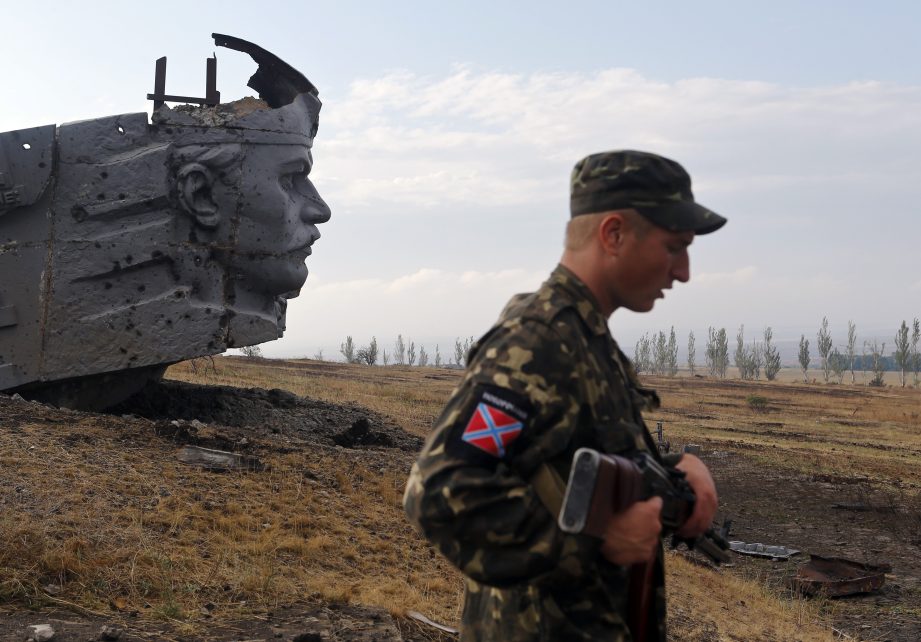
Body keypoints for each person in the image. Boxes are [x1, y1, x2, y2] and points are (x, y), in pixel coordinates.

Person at [404, 150, 725, 641]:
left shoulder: (585, 339)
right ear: (613, 235)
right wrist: (590, 541)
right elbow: (442, 493)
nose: (682, 271)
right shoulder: (538, 342)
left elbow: (576, 467)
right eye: (674, 246)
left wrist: (676, 468)